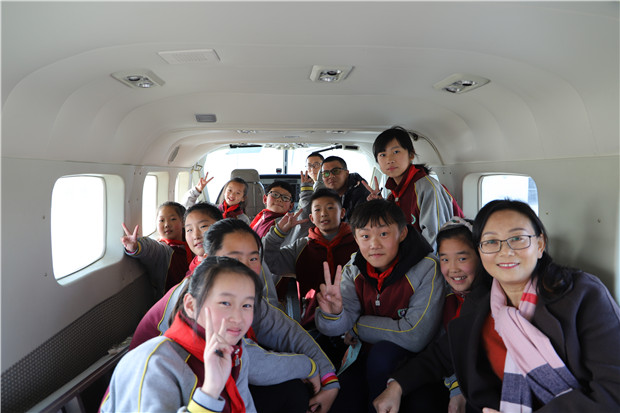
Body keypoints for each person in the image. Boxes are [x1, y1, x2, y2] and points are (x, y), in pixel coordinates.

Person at [374, 200, 620, 413]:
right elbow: (442, 353)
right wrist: (397, 386)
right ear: (481, 251)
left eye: (518, 239)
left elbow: (613, 391)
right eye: (491, 242)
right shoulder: (482, 302)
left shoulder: (581, 294)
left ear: (540, 244)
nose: (505, 251)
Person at [128, 218, 340, 412]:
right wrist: (308, 366)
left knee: (292, 389)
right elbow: (254, 365)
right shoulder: (194, 302)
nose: (245, 268)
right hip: (178, 392)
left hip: (210, 382)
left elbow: (286, 332)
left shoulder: (244, 298)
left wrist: (328, 378)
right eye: (234, 258)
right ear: (208, 259)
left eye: (253, 258)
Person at [101, 256, 318, 412]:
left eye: (246, 305)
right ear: (191, 305)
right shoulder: (153, 363)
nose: (238, 317)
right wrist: (210, 392)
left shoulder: (233, 350)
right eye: (225, 303)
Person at [315, 199, 446, 412]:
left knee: (383, 355)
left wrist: (357, 327)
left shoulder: (427, 268)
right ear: (355, 238)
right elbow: (340, 325)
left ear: (402, 233)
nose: (374, 244)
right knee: (341, 402)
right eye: (365, 236)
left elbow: (415, 336)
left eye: (383, 234)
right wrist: (334, 315)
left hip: (417, 361)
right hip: (364, 355)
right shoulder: (354, 269)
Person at [263, 188, 359, 330]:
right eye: (317, 210)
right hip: (312, 323)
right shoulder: (301, 247)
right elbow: (269, 261)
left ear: (342, 213)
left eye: (330, 208)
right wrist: (278, 233)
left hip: (353, 323)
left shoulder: (358, 244)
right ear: (312, 218)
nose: (324, 214)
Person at [366, 126, 464, 249]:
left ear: (411, 154)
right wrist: (380, 207)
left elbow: (435, 240)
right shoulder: (393, 195)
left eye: (396, 152)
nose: (389, 160)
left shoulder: (427, 188)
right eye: (383, 155)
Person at [121, 201, 193, 299]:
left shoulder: (190, 243)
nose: (166, 224)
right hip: (172, 301)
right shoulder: (163, 250)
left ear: (183, 222)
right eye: (161, 220)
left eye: (172, 219)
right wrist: (136, 246)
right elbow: (150, 247)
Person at [182, 173, 251, 224]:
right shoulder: (211, 209)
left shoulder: (243, 219)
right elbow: (187, 209)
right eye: (229, 190)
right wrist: (197, 190)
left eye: (238, 193)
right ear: (224, 192)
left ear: (243, 198)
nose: (232, 195)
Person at [320, 155, 370, 222]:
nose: (330, 176)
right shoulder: (327, 197)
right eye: (326, 173)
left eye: (336, 171)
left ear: (346, 173)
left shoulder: (362, 195)